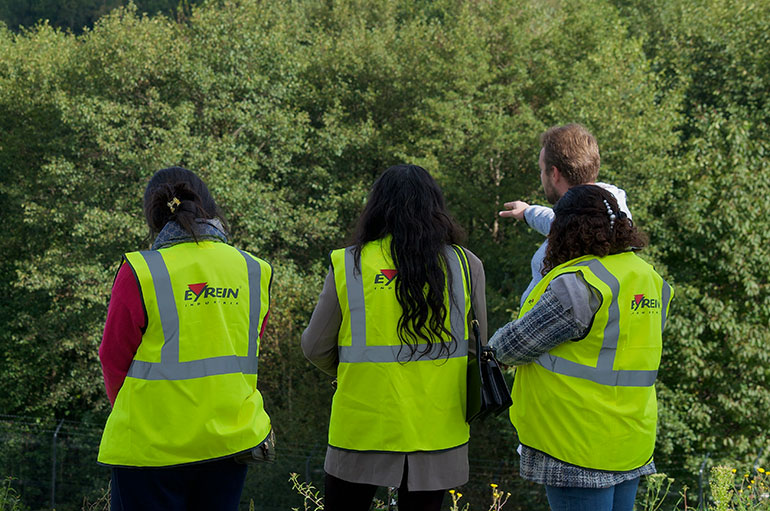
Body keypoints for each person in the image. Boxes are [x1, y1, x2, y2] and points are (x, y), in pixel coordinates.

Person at [301, 164, 487, 511]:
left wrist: (355, 372)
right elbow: (477, 349)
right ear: (436, 207)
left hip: (362, 426)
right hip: (437, 431)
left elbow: (314, 346)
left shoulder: (349, 264)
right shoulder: (466, 264)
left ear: (377, 207)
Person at [97, 167, 274, 511]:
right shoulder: (255, 269)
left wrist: (133, 411)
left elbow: (113, 357)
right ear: (207, 205)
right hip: (229, 443)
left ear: (155, 215)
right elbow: (247, 347)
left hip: (150, 448)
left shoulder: (141, 270)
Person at [489, 185, 673, 511]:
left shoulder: (581, 284)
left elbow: (511, 347)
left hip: (575, 444)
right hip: (630, 440)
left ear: (565, 229)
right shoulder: (650, 279)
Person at [499, 123, 632, 307]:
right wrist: (527, 212)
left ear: (554, 173)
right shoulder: (605, 218)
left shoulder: (580, 238)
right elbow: (555, 220)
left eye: (541, 169)